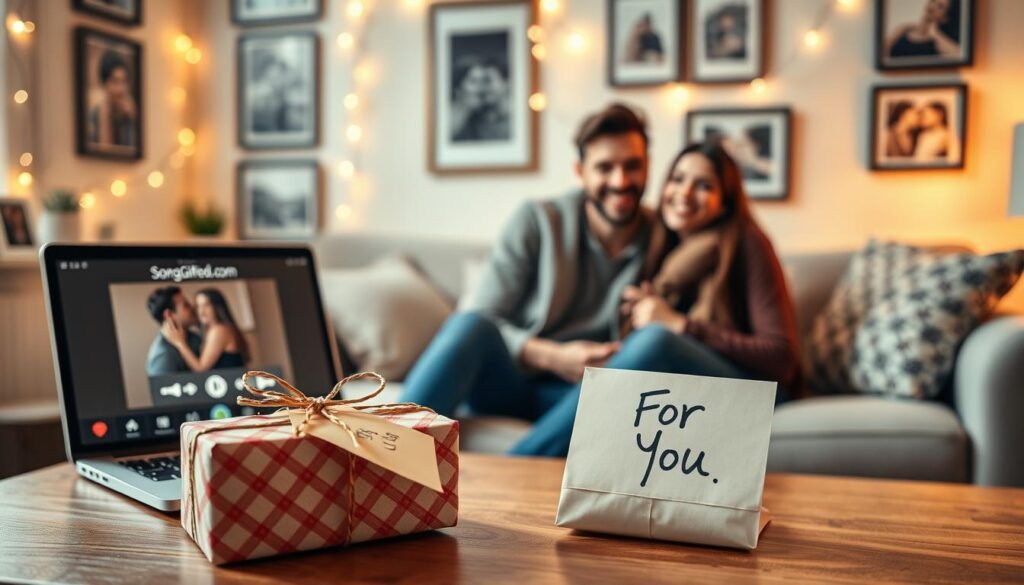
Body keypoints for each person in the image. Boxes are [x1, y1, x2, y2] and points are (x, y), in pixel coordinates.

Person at [401, 103, 669, 457]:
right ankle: (377, 462)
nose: (620, 181)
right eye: (604, 167)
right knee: (469, 325)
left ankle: (515, 474)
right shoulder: (538, 221)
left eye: (632, 166)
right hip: (513, 382)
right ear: (580, 171)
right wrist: (555, 357)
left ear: (648, 166)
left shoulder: (667, 237)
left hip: (591, 399)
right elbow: (486, 318)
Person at [620, 142, 801, 397]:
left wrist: (679, 325)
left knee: (657, 340)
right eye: (678, 179)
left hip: (755, 387)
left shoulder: (748, 241)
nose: (685, 193)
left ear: (725, 202)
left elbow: (781, 358)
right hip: (685, 387)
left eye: (704, 185)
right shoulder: (662, 246)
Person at [161, 288, 250, 371]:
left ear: (216, 307)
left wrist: (179, 343)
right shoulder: (211, 330)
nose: (201, 311)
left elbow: (201, 369)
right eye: (198, 306)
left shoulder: (219, 330)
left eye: (206, 305)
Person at [449, 55, 511, 142]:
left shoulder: (477, 122)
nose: (481, 88)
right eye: (473, 81)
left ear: (507, 83)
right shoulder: (447, 121)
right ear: (457, 87)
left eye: (485, 81)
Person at [146, 286, 202, 376]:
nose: (193, 307)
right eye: (186, 305)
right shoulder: (163, 356)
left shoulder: (194, 337)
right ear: (169, 314)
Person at [87, 50, 137, 148]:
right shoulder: (94, 115)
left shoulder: (130, 115)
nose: (120, 89)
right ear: (105, 83)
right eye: (115, 81)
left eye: (124, 82)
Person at [885, 0, 962, 60]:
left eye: (940, 7)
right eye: (932, 1)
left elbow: (959, 55)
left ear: (945, 18)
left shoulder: (939, 42)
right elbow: (879, 53)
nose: (932, 7)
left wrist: (935, 34)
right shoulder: (903, 30)